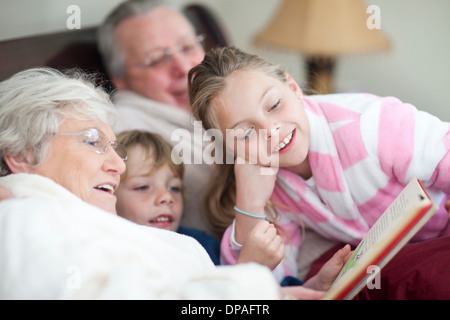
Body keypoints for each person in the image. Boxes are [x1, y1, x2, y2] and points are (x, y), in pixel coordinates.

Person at [0, 67, 349, 300]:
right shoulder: (21, 220)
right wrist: (252, 285)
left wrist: (286, 293)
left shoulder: (92, 223)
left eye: (113, 146)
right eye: (92, 141)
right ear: (22, 154)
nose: (117, 164)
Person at [187, 47, 450, 286]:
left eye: (275, 105)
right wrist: (249, 207)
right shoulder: (265, 182)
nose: (271, 130)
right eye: (245, 134)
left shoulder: (372, 124)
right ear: (229, 147)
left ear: (293, 86)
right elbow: (257, 282)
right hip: (396, 253)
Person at [97, 0, 213, 233]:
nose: (183, 67)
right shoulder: (120, 131)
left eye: (188, 47)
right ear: (121, 79)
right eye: (157, 60)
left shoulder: (231, 92)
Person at [114, 130, 220, 265]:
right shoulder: (106, 249)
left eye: (174, 188)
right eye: (143, 187)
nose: (167, 196)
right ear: (109, 195)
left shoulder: (203, 246)